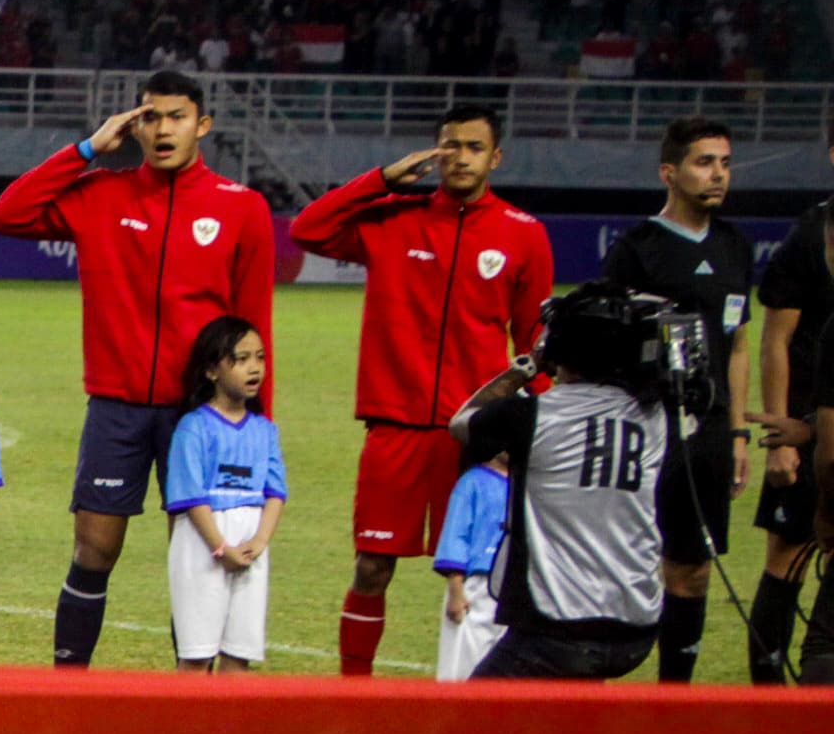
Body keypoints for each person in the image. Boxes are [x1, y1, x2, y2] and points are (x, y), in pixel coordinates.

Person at [0, 71, 274, 666]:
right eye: (150, 116)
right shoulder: (101, 194)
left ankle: (188, 694)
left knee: (199, 554)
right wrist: (89, 148)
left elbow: (254, 326)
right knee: (94, 550)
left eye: (176, 116)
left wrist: (257, 427)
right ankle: (70, 686)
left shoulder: (241, 208)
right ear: (134, 124)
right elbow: (9, 214)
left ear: (203, 124)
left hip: (202, 416)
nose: (163, 128)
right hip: (116, 406)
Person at [289, 105, 552, 674]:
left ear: (495, 157)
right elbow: (306, 228)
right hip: (395, 425)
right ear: (435, 153)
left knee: (482, 575)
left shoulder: (523, 234)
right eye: (449, 146)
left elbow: (536, 344)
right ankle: (353, 694)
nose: (459, 157)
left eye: (473, 147)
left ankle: (474, 692)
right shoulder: (393, 218)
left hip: (477, 435)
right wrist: (380, 180)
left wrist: (538, 424)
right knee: (372, 567)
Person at [453, 282, 709, 682]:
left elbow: (463, 423)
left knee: (468, 726)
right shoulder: (657, 417)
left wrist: (526, 367)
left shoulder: (535, 415)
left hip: (559, 631)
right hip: (637, 631)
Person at [599, 118, 756, 682]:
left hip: (709, 434)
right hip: (643, 431)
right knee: (625, 567)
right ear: (670, 172)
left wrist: (737, 433)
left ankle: (674, 697)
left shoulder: (736, 245)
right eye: (704, 162)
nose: (718, 174)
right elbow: (603, 350)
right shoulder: (636, 250)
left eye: (725, 163)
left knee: (692, 570)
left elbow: (738, 344)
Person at [742, 139, 834, 684]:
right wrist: (783, 441)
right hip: (807, 429)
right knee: (787, 559)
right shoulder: (809, 233)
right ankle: (768, 702)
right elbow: (776, 339)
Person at [161, 318, 286, 675]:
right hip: (204, 545)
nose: (254, 368)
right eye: (241, 358)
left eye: (259, 358)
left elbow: (276, 491)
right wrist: (220, 547)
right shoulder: (193, 427)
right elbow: (191, 497)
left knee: (238, 658)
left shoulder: (264, 429)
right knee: (197, 656)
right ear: (212, 370)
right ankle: (185, 731)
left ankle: (229, 732)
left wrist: (260, 541)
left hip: (250, 548)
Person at [431, 456, 511, 683]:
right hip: (476, 587)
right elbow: (455, 536)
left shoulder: (530, 482)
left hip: (515, 586)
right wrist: (456, 590)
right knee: (461, 665)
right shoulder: (472, 482)